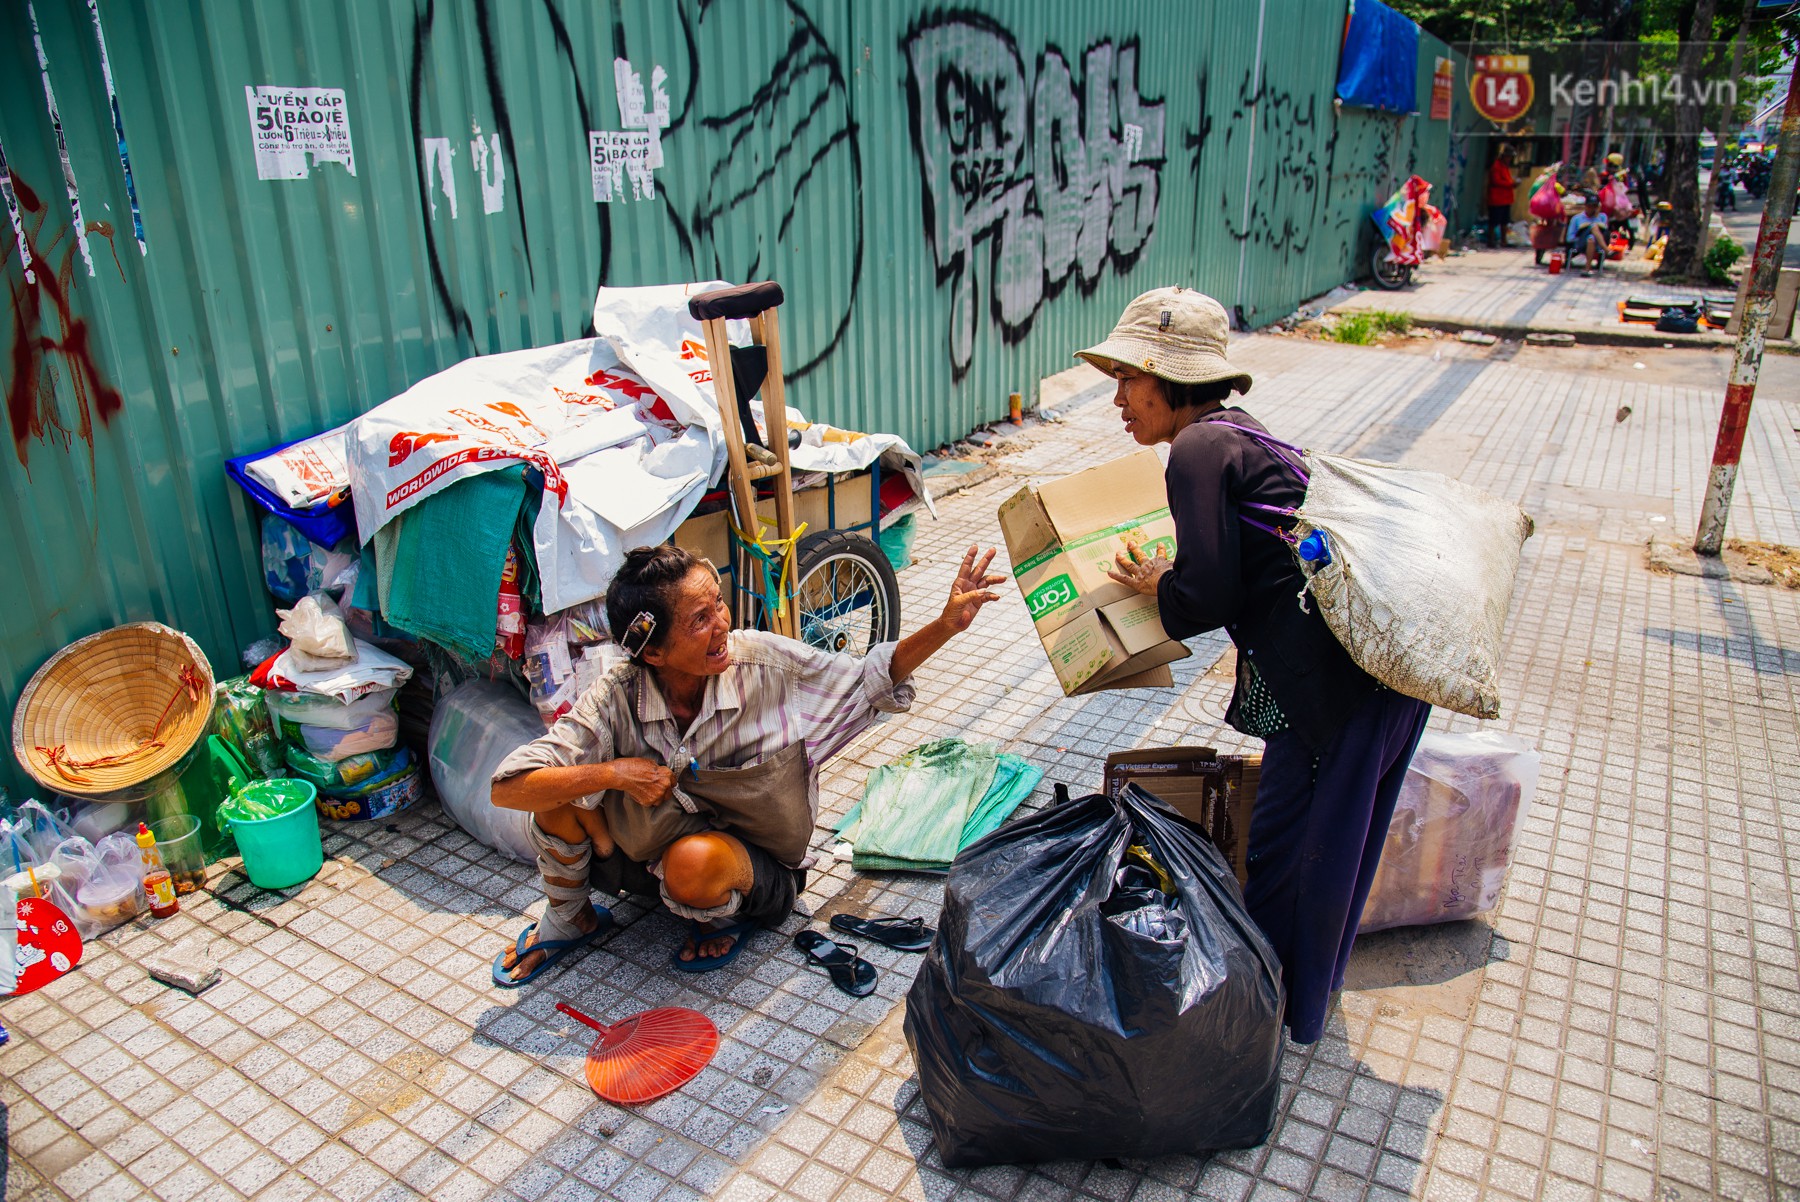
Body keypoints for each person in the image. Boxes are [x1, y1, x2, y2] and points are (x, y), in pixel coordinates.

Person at [1080, 286, 1431, 1045]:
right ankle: (1287, 1003)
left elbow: (1206, 595)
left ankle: (1260, 1021)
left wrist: (1158, 587)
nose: (1118, 399)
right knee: (1325, 847)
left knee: (1294, 859)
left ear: (1170, 377)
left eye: (1128, 380)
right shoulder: (1237, 435)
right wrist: (1176, 577)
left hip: (1336, 694)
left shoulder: (1198, 452)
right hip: (1364, 683)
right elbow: (1239, 568)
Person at [488, 543, 1005, 985]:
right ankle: (570, 919)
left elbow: (869, 675)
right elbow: (508, 787)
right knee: (553, 802)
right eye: (699, 620)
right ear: (653, 653)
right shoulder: (616, 695)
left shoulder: (765, 664)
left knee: (693, 863)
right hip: (646, 854)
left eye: (718, 605)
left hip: (749, 867)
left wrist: (944, 627)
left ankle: (724, 915)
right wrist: (610, 773)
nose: (721, 625)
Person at [1566, 194, 1609, 275]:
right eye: (1590, 206)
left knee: (1591, 237)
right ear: (1585, 206)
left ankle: (1587, 268)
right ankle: (1607, 250)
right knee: (1592, 228)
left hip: (1596, 243)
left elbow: (1605, 232)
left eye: (1594, 206)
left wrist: (1596, 216)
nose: (1592, 209)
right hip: (1580, 243)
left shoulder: (1602, 217)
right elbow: (1569, 238)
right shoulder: (1577, 218)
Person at [1486, 146, 1518, 248]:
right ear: (1504, 156)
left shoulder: (1505, 167)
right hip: (1496, 199)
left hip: (1505, 199)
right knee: (1494, 221)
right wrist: (1511, 183)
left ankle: (1503, 241)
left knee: (1504, 221)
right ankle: (1491, 241)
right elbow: (1496, 181)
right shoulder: (1497, 166)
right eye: (1508, 157)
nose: (1510, 159)